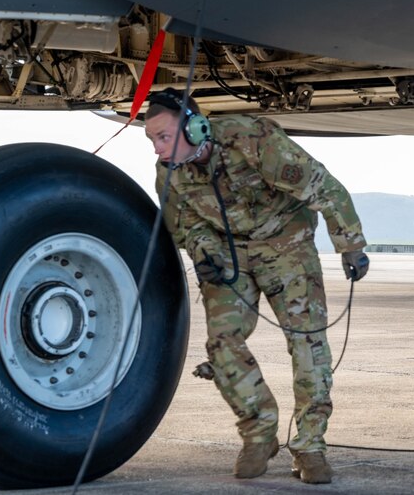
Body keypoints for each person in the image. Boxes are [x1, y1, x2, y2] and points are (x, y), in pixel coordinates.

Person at [145, 88, 369, 484]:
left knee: (308, 342)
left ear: (196, 128)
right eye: (152, 140)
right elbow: (184, 227)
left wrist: (349, 245)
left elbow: (323, 186)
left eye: (164, 137)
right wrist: (204, 251)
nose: (159, 149)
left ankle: (310, 447)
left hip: (287, 246)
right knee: (222, 342)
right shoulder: (170, 172)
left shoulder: (252, 140)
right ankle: (259, 431)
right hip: (230, 254)